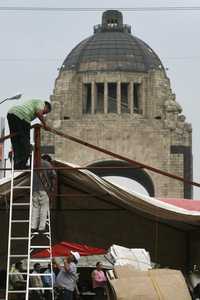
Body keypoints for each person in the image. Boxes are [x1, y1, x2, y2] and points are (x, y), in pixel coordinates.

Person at [7, 99, 51, 169]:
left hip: (11, 113)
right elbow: (38, 112)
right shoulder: (41, 103)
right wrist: (45, 125)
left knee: (16, 141)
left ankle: (17, 165)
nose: (44, 114)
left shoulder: (33, 104)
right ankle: (21, 165)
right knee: (25, 144)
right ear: (46, 106)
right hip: (22, 117)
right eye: (46, 112)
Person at [31, 154, 56, 234]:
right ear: (48, 160)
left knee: (35, 207)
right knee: (44, 207)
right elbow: (54, 175)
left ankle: (33, 226)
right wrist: (52, 187)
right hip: (43, 189)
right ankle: (41, 228)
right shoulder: (47, 164)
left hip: (34, 189)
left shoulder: (34, 163)